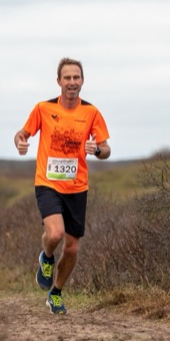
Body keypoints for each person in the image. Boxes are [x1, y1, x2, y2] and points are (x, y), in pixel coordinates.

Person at [14, 57, 111, 314]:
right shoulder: (43, 108)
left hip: (77, 187)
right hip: (47, 183)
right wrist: (21, 142)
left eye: (76, 77)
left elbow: (107, 149)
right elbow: (22, 133)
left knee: (72, 247)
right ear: (58, 81)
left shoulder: (91, 112)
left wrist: (98, 149)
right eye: (67, 78)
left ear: (82, 81)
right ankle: (46, 257)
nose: (71, 82)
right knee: (55, 234)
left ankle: (55, 292)